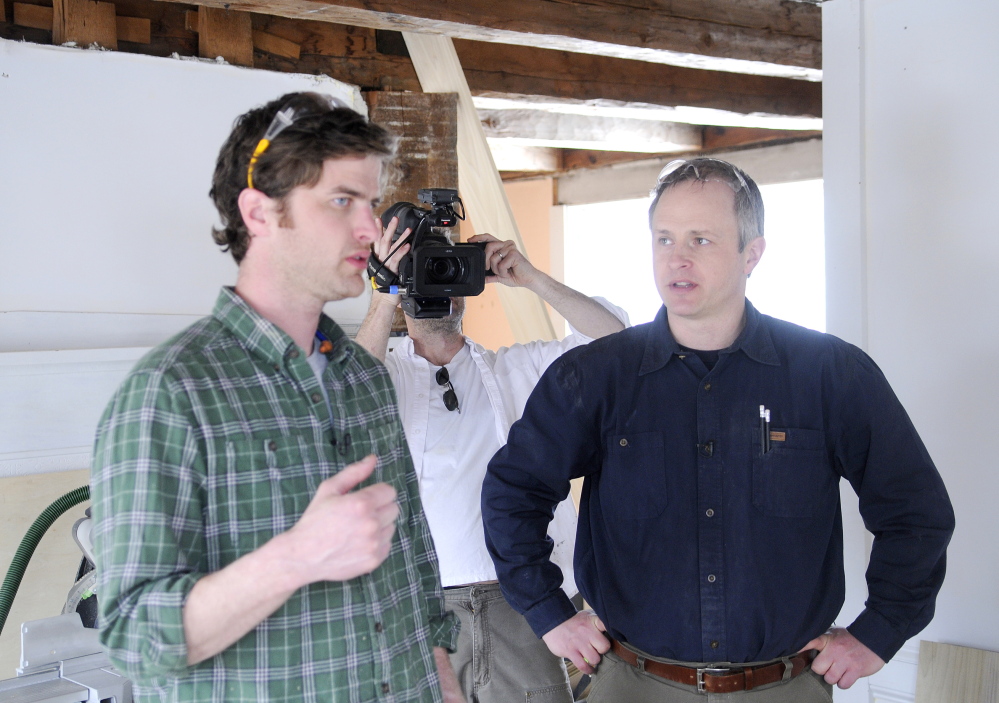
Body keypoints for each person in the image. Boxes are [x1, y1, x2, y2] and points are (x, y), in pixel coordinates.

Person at [481, 158, 955, 701]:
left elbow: (915, 511)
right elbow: (513, 491)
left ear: (752, 254)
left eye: (702, 240)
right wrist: (549, 613)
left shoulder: (830, 374)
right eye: (664, 239)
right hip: (633, 684)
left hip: (785, 685)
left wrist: (880, 631)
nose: (677, 258)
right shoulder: (594, 377)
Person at [89, 92, 463, 703]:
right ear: (260, 213)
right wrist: (296, 556)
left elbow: (414, 560)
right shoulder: (169, 394)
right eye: (342, 201)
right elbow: (133, 641)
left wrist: (442, 676)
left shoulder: (364, 378)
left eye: (369, 202)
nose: (371, 228)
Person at [354, 222, 628, 702]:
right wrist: (384, 295)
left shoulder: (515, 370)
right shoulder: (381, 374)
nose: (436, 285)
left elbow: (616, 343)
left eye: (446, 271)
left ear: (467, 285)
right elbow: (342, 399)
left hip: (524, 607)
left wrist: (531, 277)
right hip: (416, 610)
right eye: (423, 271)